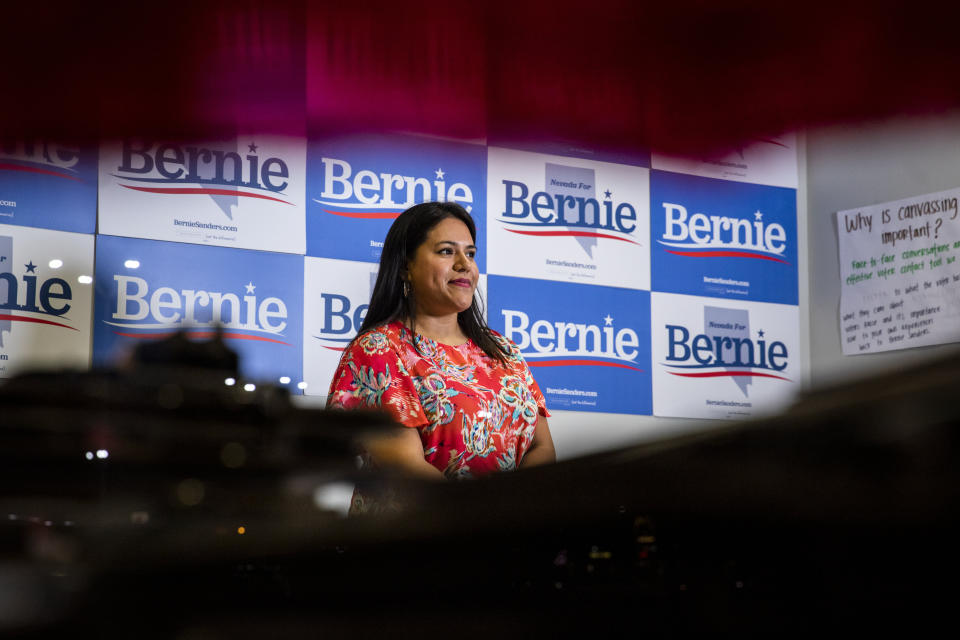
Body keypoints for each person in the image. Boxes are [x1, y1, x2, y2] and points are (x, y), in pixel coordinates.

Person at [326, 201, 555, 503]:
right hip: (421, 539)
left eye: (470, 253)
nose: (464, 264)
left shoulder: (505, 351)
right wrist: (492, 516)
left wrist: (511, 516)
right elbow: (407, 466)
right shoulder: (379, 349)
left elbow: (543, 448)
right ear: (406, 266)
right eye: (447, 251)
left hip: (508, 537)